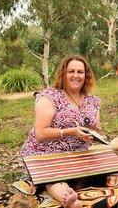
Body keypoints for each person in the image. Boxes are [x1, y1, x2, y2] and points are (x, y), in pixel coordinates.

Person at [20, 55, 101, 208]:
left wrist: (96, 136)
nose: (76, 76)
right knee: (53, 177)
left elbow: (96, 129)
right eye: (71, 71)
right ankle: (69, 199)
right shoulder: (49, 97)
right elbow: (41, 133)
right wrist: (72, 132)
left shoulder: (93, 101)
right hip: (46, 153)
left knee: (105, 168)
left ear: (86, 75)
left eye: (80, 72)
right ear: (63, 74)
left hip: (77, 153)